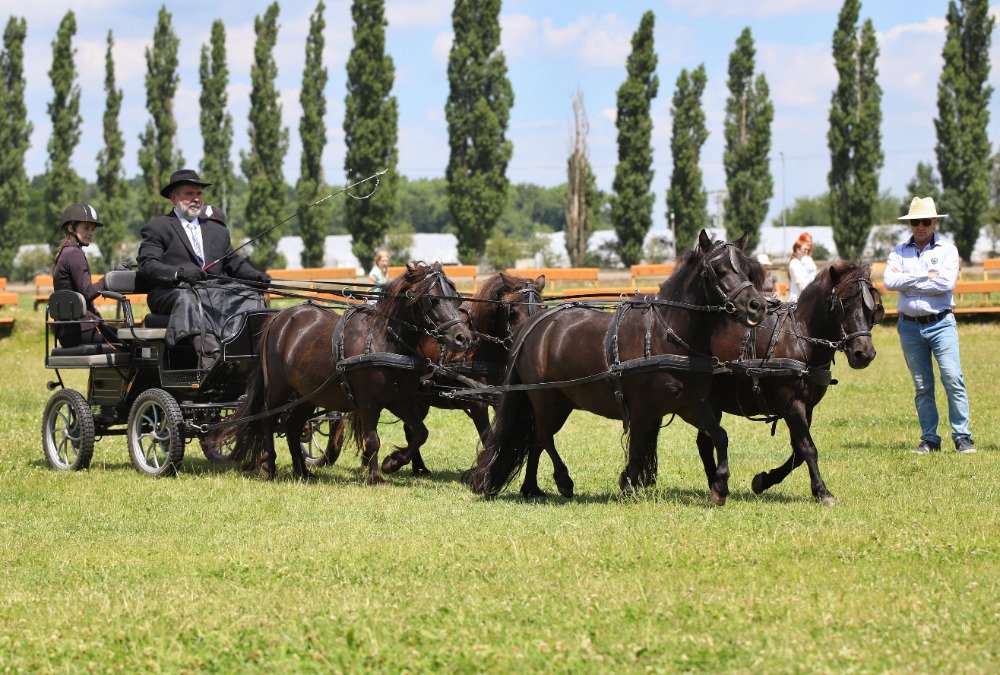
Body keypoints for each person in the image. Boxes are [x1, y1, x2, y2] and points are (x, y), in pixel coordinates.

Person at [137, 169, 271, 369]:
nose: (196, 199)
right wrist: (179, 273)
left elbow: (233, 262)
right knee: (190, 299)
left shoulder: (217, 231)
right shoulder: (158, 228)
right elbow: (148, 264)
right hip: (173, 292)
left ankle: (247, 355)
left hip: (212, 292)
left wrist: (256, 277)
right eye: (189, 194)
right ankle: (210, 358)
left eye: (199, 194)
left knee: (251, 296)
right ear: (174, 198)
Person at [885, 196, 976, 454]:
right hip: (909, 326)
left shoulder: (947, 250)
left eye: (925, 221)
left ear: (934, 222)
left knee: (952, 377)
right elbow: (890, 281)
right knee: (922, 385)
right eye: (915, 221)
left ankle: (962, 436)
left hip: (941, 323)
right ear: (910, 224)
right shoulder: (898, 251)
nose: (920, 226)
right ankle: (930, 439)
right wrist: (925, 276)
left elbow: (945, 284)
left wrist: (908, 280)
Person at [51, 203, 115, 347]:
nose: (90, 233)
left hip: (68, 332)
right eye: (86, 228)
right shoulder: (74, 253)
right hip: (82, 329)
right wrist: (109, 278)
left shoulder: (64, 252)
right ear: (71, 228)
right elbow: (87, 293)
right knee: (134, 342)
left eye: (92, 229)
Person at [787, 233, 817, 302]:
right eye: (804, 249)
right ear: (797, 250)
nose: (806, 252)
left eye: (807, 250)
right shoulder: (795, 263)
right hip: (797, 300)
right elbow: (800, 284)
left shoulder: (798, 262)